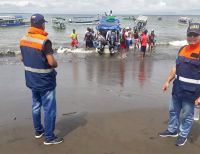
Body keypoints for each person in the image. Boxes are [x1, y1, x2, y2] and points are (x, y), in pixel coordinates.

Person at [19, 13, 63, 145]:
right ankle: (49, 137)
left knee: (36, 105)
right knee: (49, 109)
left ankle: (39, 131)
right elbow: (51, 62)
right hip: (45, 81)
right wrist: (56, 63)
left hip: (31, 79)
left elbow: (22, 58)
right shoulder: (44, 41)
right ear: (42, 24)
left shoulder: (23, 39)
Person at [159, 23, 200, 146]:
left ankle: (183, 135)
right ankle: (172, 130)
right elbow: (175, 67)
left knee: (187, 115)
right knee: (173, 111)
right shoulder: (182, 49)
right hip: (178, 89)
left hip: (192, 92)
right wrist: (167, 81)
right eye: (189, 34)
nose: (192, 37)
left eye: (195, 35)